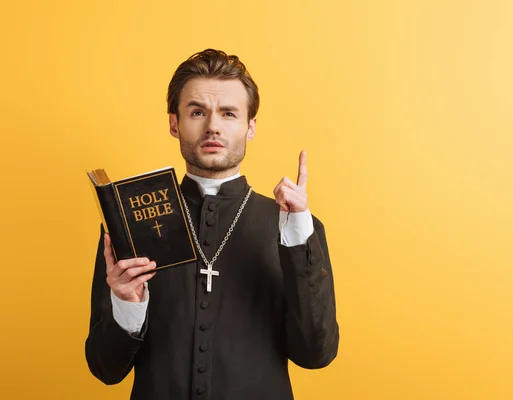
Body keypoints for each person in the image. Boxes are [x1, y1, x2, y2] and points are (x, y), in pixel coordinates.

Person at [85, 49, 339, 399]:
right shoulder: (129, 222)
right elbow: (104, 369)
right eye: (197, 112)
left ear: (250, 127)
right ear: (174, 123)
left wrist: (297, 236)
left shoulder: (296, 227)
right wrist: (127, 305)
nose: (213, 126)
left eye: (229, 113)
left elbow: (316, 355)